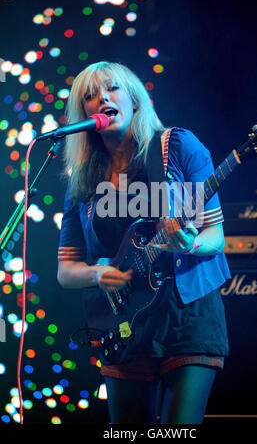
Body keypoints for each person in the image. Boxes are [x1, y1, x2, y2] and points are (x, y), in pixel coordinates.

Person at [57, 61, 231, 424]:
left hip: (186, 316)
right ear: (83, 112)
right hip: (123, 325)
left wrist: (188, 244)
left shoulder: (177, 147)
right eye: (90, 95)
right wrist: (96, 275)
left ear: (134, 100)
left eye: (112, 89)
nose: (102, 98)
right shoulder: (83, 178)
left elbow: (215, 237)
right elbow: (66, 271)